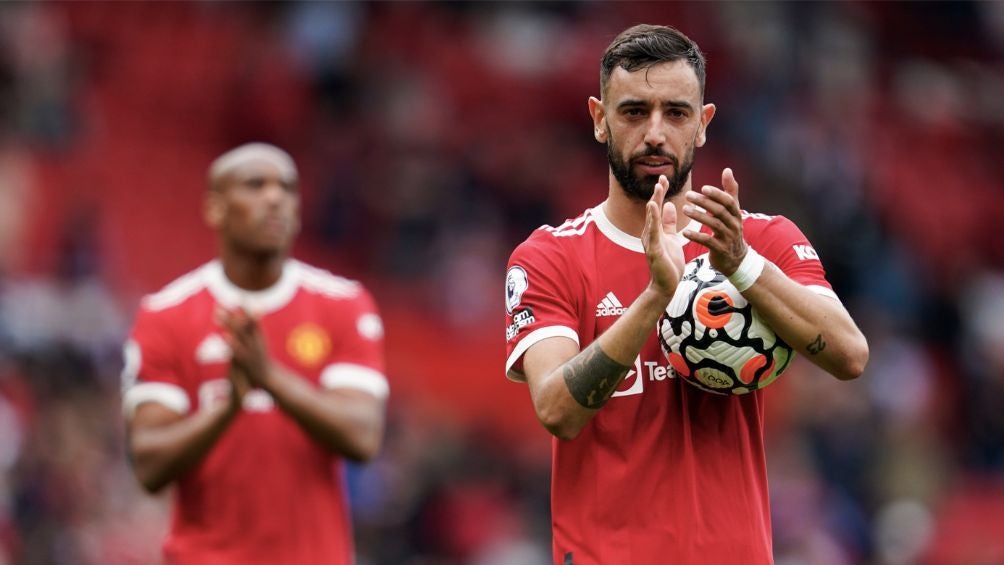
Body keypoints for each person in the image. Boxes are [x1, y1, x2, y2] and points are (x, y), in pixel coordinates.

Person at [503, 24, 869, 565]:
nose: (655, 133)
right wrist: (656, 295)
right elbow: (558, 409)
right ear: (600, 120)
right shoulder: (549, 258)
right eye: (633, 112)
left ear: (703, 124)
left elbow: (849, 354)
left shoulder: (759, 240)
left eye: (675, 113)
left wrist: (742, 267)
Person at [121, 143, 389, 564]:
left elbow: (362, 437)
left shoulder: (342, 305)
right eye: (254, 185)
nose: (275, 198)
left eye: (287, 187)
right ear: (215, 209)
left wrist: (269, 377)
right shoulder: (166, 314)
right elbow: (149, 465)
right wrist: (228, 409)